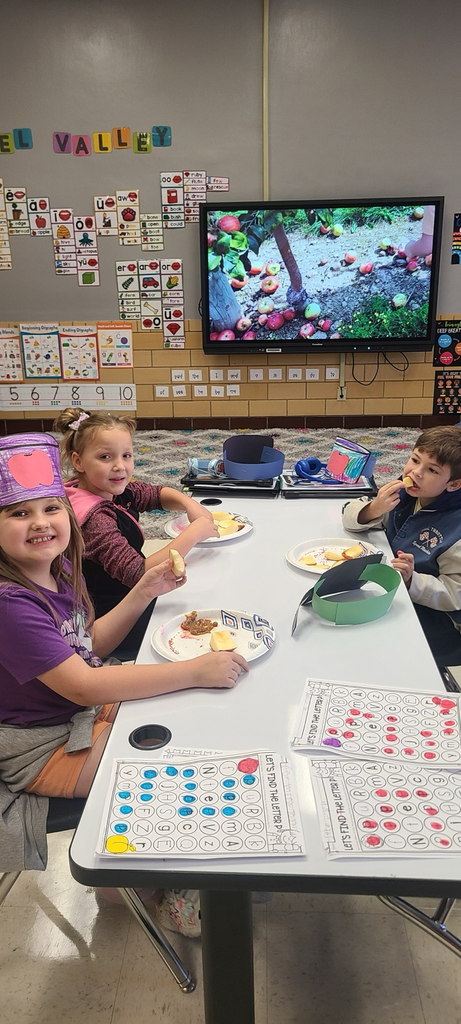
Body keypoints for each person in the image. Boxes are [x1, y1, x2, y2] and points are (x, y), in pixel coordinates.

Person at [0, 432, 248, 935]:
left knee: (183, 718)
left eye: (51, 508)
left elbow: (87, 641)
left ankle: (141, 872)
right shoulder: (10, 604)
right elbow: (85, 686)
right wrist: (195, 671)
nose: (41, 522)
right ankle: (137, 883)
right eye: (20, 513)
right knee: (163, 767)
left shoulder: (56, 567)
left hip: (73, 713)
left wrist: (143, 591)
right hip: (39, 745)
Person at [54, 408, 219, 660]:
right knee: (198, 611)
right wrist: (193, 533)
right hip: (114, 619)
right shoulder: (94, 520)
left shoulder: (111, 489)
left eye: (126, 455)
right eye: (105, 457)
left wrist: (189, 504)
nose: (119, 466)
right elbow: (139, 574)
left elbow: (155, 494)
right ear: (78, 462)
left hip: (134, 595)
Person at [342, 425, 461, 667]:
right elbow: (350, 512)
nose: (416, 472)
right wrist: (373, 509)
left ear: (454, 484)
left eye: (432, 470)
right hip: (390, 589)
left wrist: (412, 581)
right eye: (415, 460)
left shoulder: (456, 529)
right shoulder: (407, 491)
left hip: (435, 624)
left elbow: (455, 594)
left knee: (368, 650)